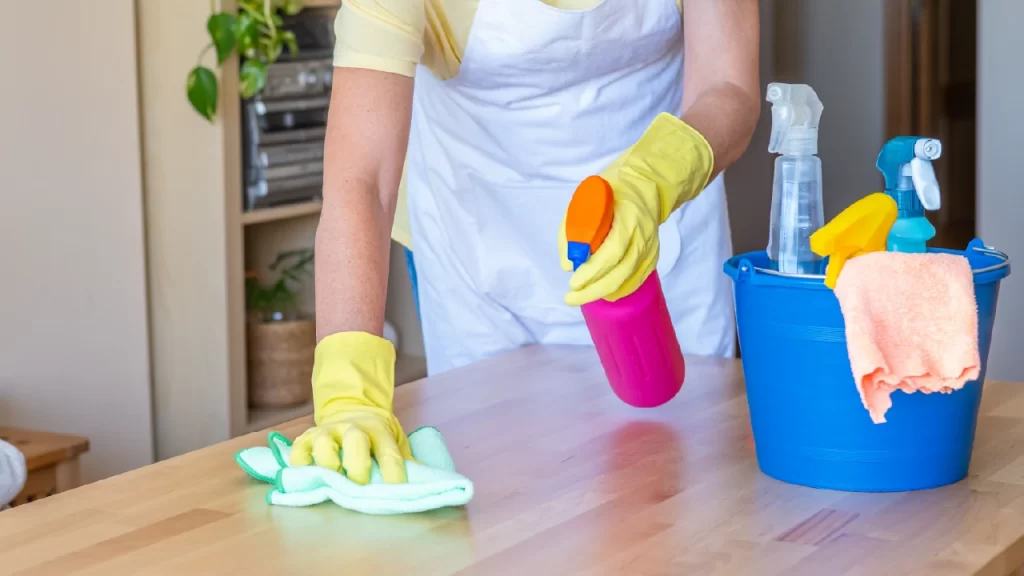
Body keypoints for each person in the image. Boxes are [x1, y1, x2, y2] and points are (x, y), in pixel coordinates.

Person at [290, 0, 761, 484]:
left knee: (683, 488)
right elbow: (361, 180)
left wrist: (653, 179)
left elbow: (728, 86)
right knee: (504, 496)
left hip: (660, 235)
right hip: (477, 250)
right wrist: (349, 393)